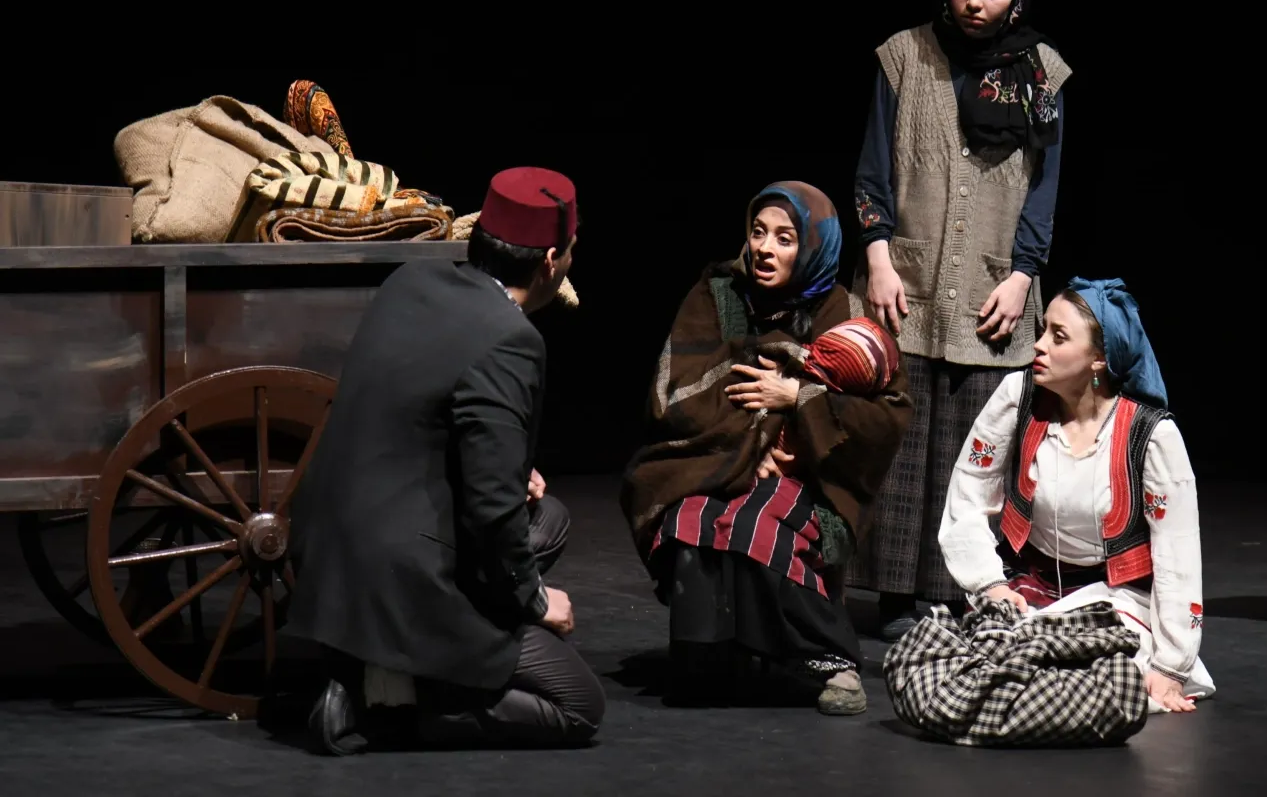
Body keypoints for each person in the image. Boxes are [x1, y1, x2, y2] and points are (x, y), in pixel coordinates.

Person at [289, 166, 607, 753]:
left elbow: (425, 423)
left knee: (551, 518)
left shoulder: (412, 280)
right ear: (550, 262)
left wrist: (510, 471)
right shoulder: (511, 337)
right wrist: (537, 602)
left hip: (328, 546)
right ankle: (382, 698)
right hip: (395, 576)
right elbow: (491, 510)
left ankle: (382, 663)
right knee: (577, 705)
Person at [849, 0, 1074, 640]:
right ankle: (892, 597)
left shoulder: (1041, 73)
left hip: (992, 286)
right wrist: (878, 257)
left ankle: (956, 595)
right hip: (903, 280)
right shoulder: (903, 56)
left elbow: (1044, 188)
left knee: (972, 452)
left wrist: (1023, 276)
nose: (975, 2)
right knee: (898, 440)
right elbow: (873, 169)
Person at [621, 182, 912, 714]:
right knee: (690, 517)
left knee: (757, 523)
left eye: (784, 238)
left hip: (809, 476)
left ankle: (829, 660)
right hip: (715, 461)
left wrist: (797, 398)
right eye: (758, 233)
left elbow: (887, 415)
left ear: (813, 247)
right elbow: (673, 396)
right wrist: (751, 440)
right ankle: (705, 659)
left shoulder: (841, 310)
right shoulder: (717, 294)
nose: (765, 249)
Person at [937, 278, 1215, 715]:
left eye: (1059, 336)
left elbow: (1177, 554)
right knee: (974, 664)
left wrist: (1171, 665)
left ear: (1098, 359)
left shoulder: (1150, 435)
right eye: (1043, 330)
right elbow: (968, 492)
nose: (1039, 345)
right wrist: (990, 584)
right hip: (1028, 593)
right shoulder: (1019, 397)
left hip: (1113, 604)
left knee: (1090, 677)